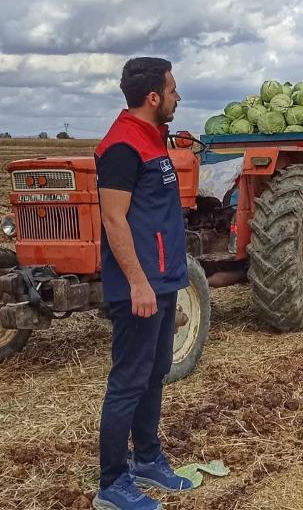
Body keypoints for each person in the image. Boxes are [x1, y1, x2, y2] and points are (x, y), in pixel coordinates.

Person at [93, 57, 194, 510]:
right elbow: (114, 220)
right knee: (128, 380)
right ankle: (112, 484)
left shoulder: (153, 139)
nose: (177, 97)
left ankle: (148, 458)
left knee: (155, 372)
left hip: (163, 280)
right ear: (153, 97)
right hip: (139, 286)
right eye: (172, 90)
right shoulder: (122, 146)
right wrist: (137, 282)